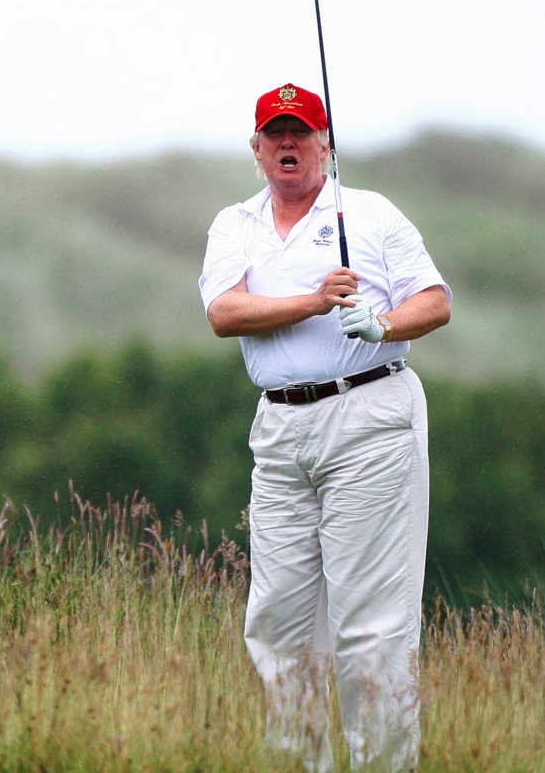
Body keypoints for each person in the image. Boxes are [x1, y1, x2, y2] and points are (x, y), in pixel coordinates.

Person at [198, 83, 452, 773]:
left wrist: (382, 323)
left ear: (325, 145)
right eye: (275, 134)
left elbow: (434, 302)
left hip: (368, 413)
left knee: (369, 624)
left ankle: (382, 766)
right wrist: (315, 301)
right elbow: (225, 312)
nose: (289, 144)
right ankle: (298, 763)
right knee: (278, 621)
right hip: (279, 427)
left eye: (302, 133)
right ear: (256, 149)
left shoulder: (369, 214)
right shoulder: (236, 225)